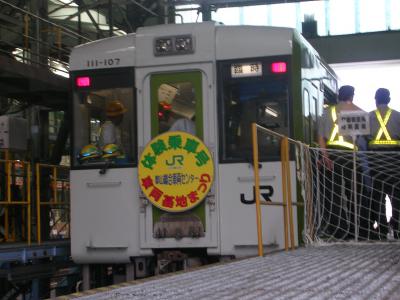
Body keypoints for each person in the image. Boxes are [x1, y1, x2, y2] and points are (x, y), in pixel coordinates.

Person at [318, 85, 367, 239]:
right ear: (352, 96)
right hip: (352, 158)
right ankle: (356, 230)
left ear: (339, 96)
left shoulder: (327, 112)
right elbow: (362, 140)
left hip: (333, 156)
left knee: (335, 195)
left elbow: (321, 137)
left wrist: (325, 156)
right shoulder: (359, 112)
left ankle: (339, 231)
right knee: (354, 194)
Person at [367, 88, 400, 239]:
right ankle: (398, 229)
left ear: (375, 99)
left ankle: (381, 229)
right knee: (397, 197)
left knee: (378, 197)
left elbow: (364, 139)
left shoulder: (369, 117)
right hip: (394, 160)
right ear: (389, 99)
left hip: (376, 160)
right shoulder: (398, 116)